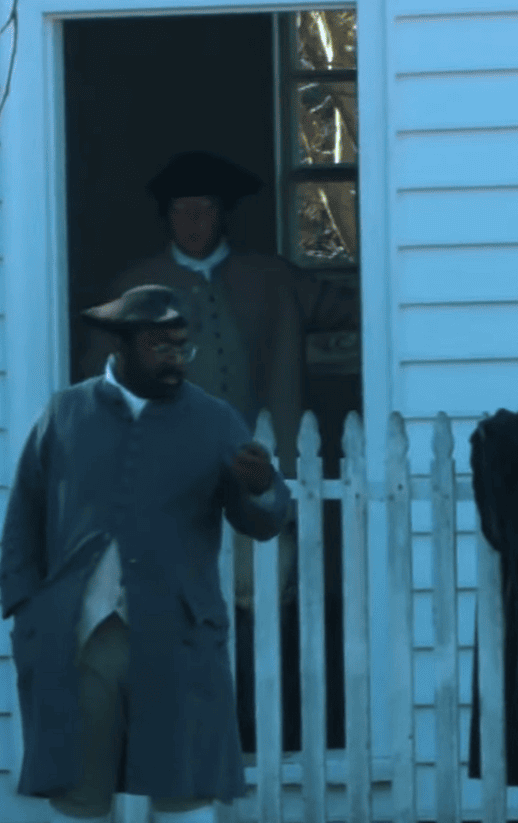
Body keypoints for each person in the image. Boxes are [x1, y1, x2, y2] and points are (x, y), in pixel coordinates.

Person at [0, 285, 291, 823]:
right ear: (123, 346)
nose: (175, 356)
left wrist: (260, 486)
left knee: (184, 786)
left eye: (181, 344)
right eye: (159, 344)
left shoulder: (215, 420)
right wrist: (26, 612)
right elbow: (24, 517)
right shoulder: (65, 413)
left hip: (177, 632)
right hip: (79, 636)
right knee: (77, 786)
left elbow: (266, 517)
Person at [78, 151, 360, 750]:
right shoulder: (133, 287)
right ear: (167, 219)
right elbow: (94, 386)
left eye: (205, 211)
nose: (194, 223)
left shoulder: (272, 278)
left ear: (223, 216)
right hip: (169, 482)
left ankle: (260, 731)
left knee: (267, 607)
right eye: (183, 212)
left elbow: (359, 307)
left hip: (259, 470)